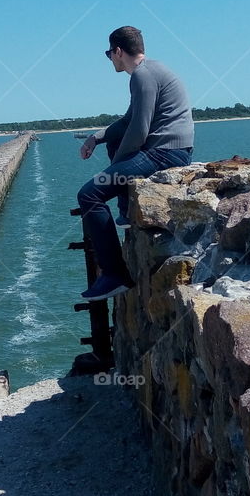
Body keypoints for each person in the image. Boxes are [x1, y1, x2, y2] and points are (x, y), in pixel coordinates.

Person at [77, 26, 194, 301]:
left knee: (90, 194)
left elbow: (139, 132)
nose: (111, 60)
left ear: (118, 51)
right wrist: (96, 138)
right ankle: (126, 211)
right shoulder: (151, 70)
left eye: (109, 54)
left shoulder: (142, 76)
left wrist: (111, 172)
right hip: (171, 149)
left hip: (166, 154)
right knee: (115, 140)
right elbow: (128, 122)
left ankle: (114, 274)